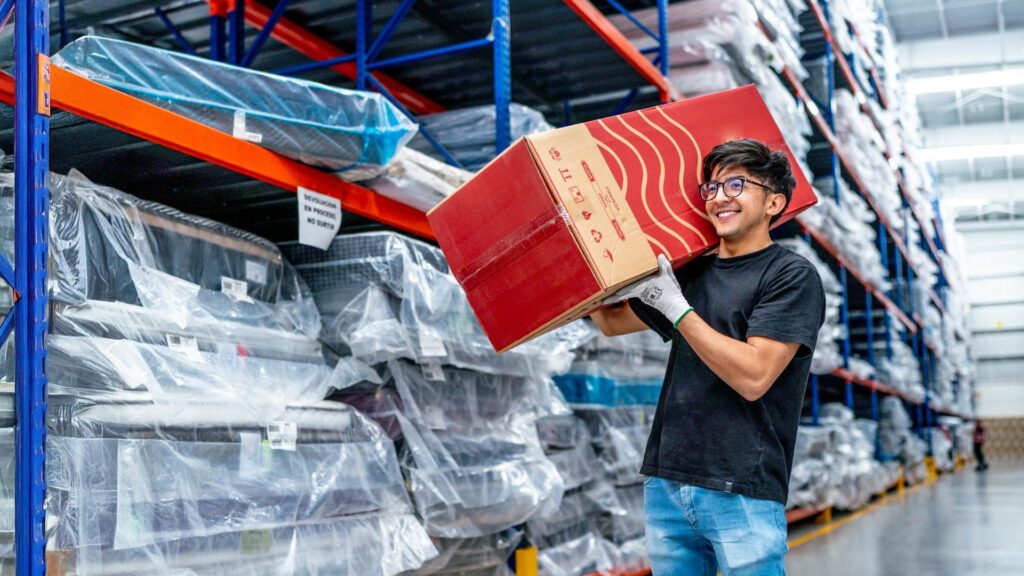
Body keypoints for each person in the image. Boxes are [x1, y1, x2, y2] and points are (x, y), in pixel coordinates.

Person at [590, 139, 825, 576]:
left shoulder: (791, 276)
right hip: (667, 480)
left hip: (741, 487)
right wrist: (591, 275)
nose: (720, 197)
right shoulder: (693, 273)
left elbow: (755, 375)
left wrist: (677, 308)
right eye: (712, 188)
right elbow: (611, 323)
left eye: (736, 184)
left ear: (774, 201)